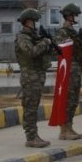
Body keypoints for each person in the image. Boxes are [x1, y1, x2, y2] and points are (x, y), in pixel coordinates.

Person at [14, 8, 52, 148]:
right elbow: (31, 52)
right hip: (30, 76)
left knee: (34, 107)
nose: (35, 24)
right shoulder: (22, 37)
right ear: (28, 21)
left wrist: (48, 44)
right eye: (33, 21)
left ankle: (34, 135)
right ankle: (31, 137)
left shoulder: (34, 37)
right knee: (30, 107)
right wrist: (44, 43)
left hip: (37, 75)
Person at [54, 3, 82, 139]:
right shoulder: (62, 32)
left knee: (74, 99)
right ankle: (63, 130)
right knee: (67, 99)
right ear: (69, 16)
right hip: (68, 69)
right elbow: (61, 49)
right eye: (74, 15)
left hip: (76, 68)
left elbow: (78, 50)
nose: (76, 18)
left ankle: (69, 126)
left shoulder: (74, 32)